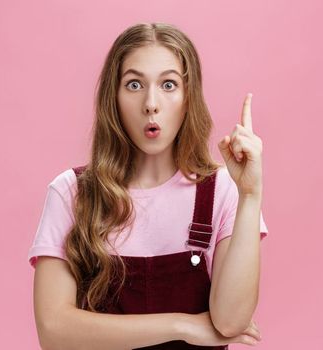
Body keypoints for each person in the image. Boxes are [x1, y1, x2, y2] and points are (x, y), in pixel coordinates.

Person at [28, 22, 268, 349]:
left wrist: (250, 196)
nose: (151, 104)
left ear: (188, 97)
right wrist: (182, 324)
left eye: (168, 84)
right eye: (134, 84)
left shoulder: (223, 191)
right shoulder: (72, 193)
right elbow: (53, 331)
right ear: (113, 96)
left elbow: (230, 321)